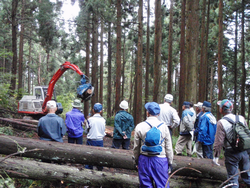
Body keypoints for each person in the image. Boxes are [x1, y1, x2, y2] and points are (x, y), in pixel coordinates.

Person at [133, 102, 173, 188]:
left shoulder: (140, 126)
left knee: (145, 185)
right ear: (158, 114)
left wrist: (136, 160)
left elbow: (136, 147)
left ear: (147, 113)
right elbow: (168, 147)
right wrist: (170, 163)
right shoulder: (164, 127)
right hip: (160, 160)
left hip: (144, 159)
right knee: (162, 185)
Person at [213, 99, 250, 187]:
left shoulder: (221, 122)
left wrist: (216, 156)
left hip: (231, 153)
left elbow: (219, 142)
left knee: (233, 180)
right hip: (244, 151)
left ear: (221, 110)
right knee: (248, 177)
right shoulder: (241, 118)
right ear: (232, 108)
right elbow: (247, 134)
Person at [85, 103, 106, 171]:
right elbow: (103, 130)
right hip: (100, 140)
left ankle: (88, 170)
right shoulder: (103, 120)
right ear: (101, 111)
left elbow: (86, 131)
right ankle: (100, 171)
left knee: (89, 156)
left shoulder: (90, 120)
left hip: (91, 140)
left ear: (93, 110)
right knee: (100, 157)